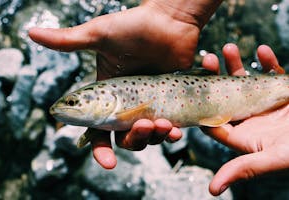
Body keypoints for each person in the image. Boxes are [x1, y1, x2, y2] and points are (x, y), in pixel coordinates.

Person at [28, 0, 288, 196]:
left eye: (73, 103)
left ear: (105, 99)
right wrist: (174, 12)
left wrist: (173, 12)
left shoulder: (113, 113)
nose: (64, 109)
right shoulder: (104, 116)